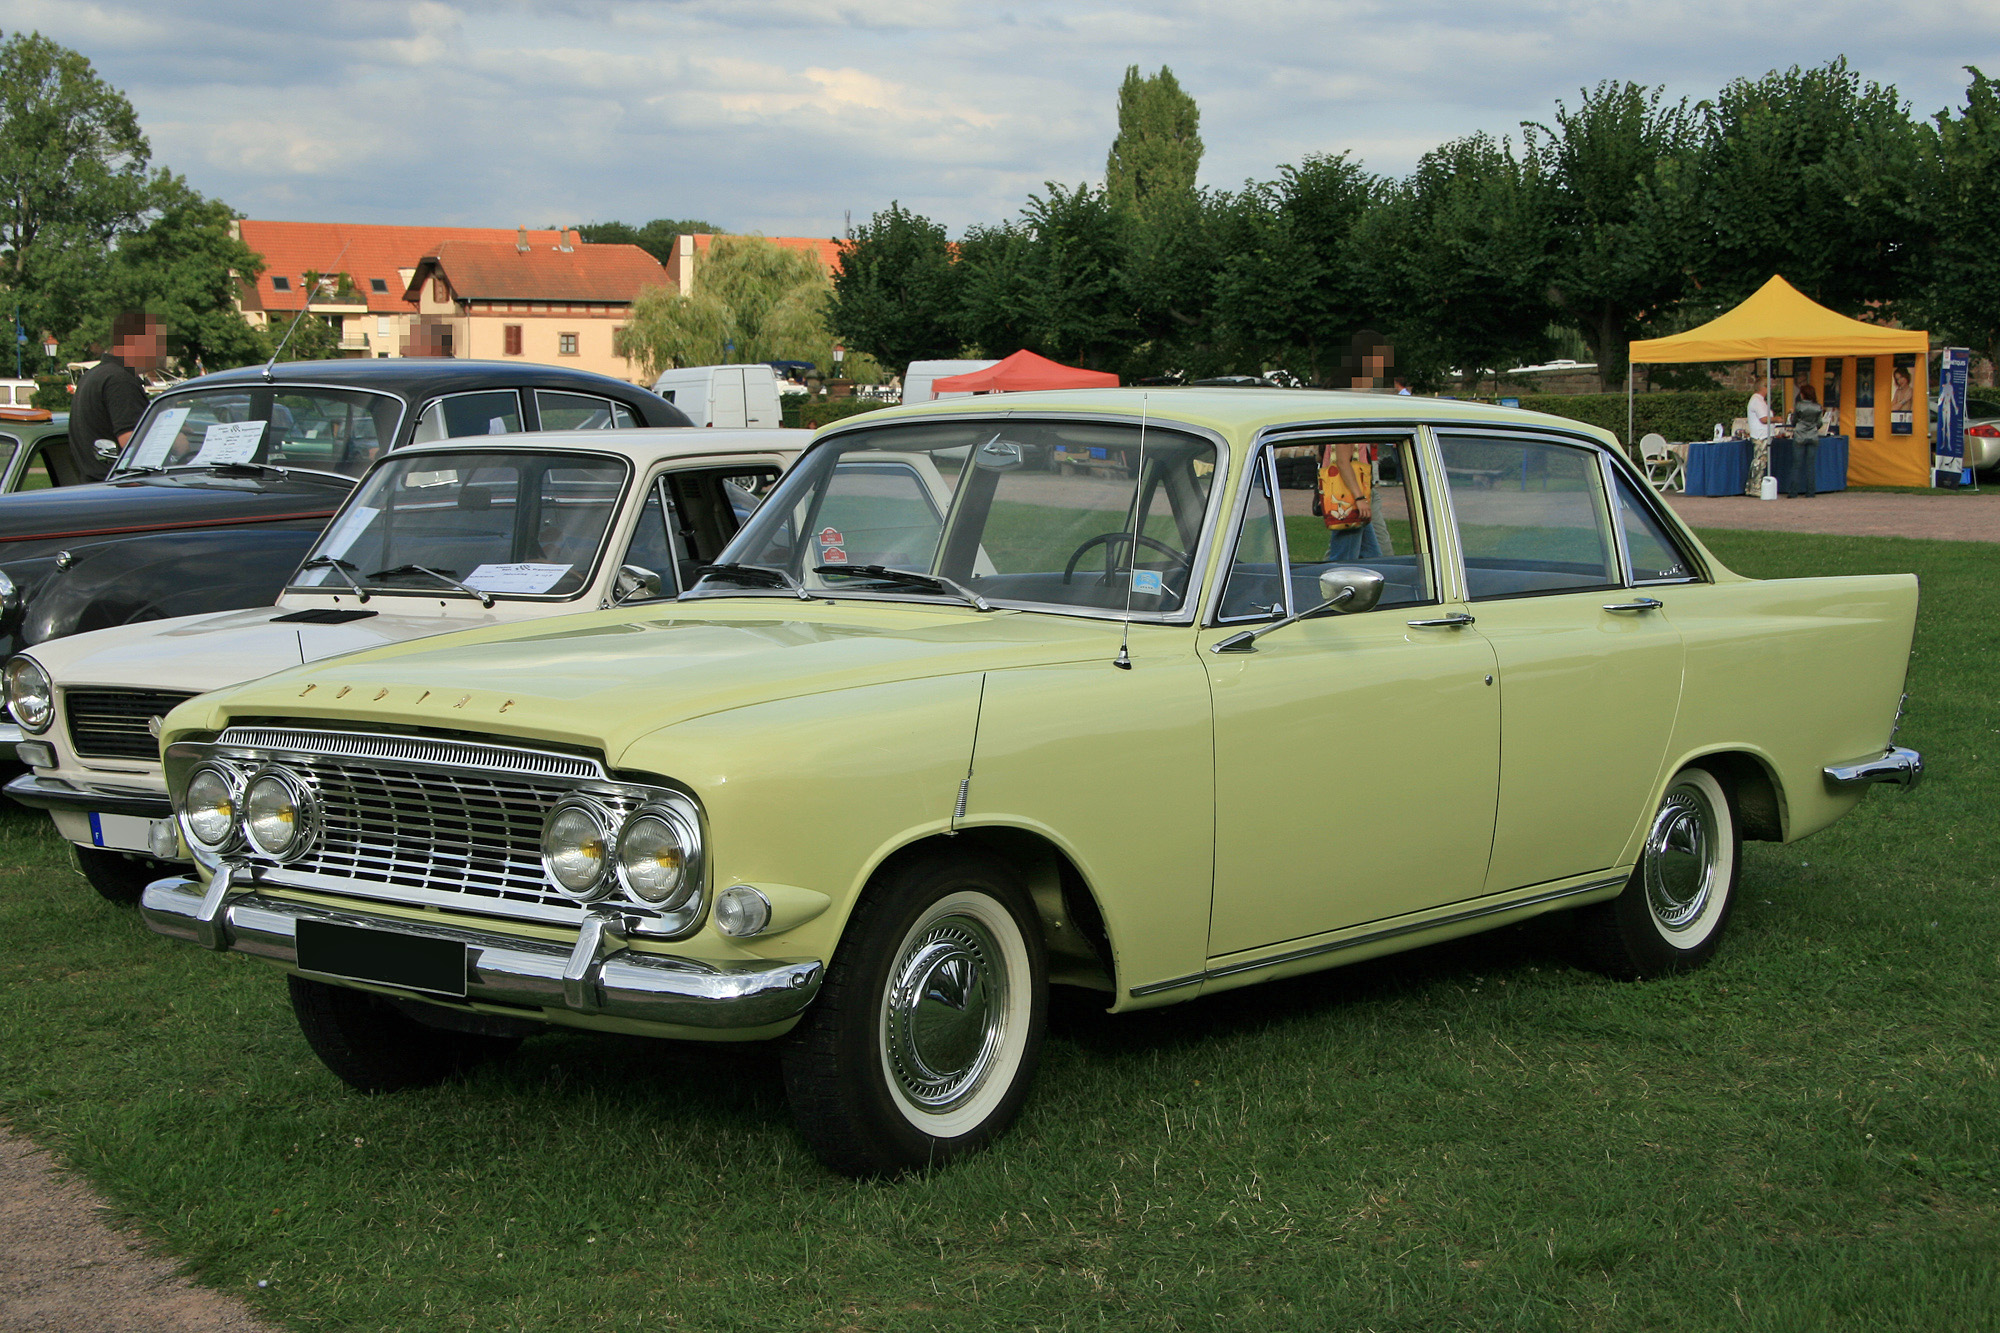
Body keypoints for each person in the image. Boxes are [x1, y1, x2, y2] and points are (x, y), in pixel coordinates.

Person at [67, 313, 166, 483]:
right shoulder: (120, 381)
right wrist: (174, 437)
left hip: (96, 488)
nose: (161, 351)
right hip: (121, 489)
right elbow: (131, 439)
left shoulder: (94, 375)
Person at [1319, 439, 1380, 562]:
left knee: (1372, 556)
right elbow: (1342, 462)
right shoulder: (1347, 427)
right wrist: (1359, 497)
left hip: (1352, 499)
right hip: (1349, 500)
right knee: (1344, 560)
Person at [1787, 383, 1825, 498]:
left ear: (1802, 394)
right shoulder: (1818, 407)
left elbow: (1794, 421)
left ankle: (1793, 492)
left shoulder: (1798, 406)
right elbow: (1819, 423)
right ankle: (1811, 492)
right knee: (1810, 466)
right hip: (1813, 436)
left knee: (1797, 465)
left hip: (1799, 436)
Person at [1745, 373, 1777, 497]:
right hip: (1761, 435)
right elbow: (1764, 419)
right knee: (1760, 461)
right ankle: (1756, 485)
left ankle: (1752, 485)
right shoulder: (1757, 401)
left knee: (1759, 460)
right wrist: (1777, 419)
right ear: (1764, 387)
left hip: (1762, 434)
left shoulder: (1758, 401)